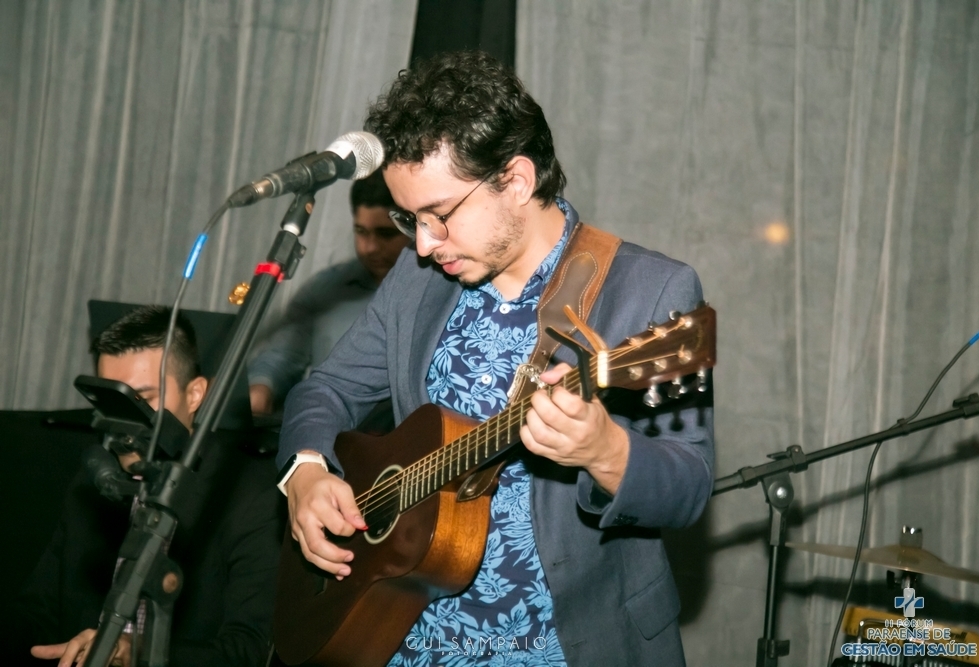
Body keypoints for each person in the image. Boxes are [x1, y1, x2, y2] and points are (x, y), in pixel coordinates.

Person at [277, 51, 714, 667]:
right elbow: (327, 389)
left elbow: (689, 485)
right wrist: (305, 471)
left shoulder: (650, 292)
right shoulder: (418, 278)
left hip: (561, 647)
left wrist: (605, 451)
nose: (423, 244)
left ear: (517, 181)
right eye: (409, 219)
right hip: (399, 632)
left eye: (439, 215)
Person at [15, 306, 283, 667]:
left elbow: (248, 651)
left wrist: (137, 653)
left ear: (194, 395)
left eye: (143, 399)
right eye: (113, 399)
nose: (124, 421)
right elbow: (37, 613)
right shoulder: (96, 481)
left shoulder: (248, 498)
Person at [247, 170, 409, 415]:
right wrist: (261, 388)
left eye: (386, 234)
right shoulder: (326, 288)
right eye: (361, 231)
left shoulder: (439, 290)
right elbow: (282, 355)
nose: (371, 247)